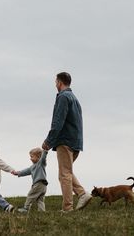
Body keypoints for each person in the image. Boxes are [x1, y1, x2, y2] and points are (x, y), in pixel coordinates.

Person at [42, 72, 92, 212]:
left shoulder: (63, 97)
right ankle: (82, 194)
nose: (55, 85)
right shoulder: (74, 98)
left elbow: (58, 122)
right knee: (66, 172)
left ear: (59, 82)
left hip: (65, 141)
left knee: (64, 174)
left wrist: (48, 141)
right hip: (76, 141)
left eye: (56, 82)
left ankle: (67, 208)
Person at [12, 147, 48, 213]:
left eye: (32, 157)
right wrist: (18, 173)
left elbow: (43, 158)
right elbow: (25, 171)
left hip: (38, 184)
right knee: (40, 199)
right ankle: (42, 211)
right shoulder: (32, 167)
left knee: (30, 195)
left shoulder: (41, 164)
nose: (30, 158)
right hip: (43, 186)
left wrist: (45, 151)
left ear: (38, 157)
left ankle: (26, 208)